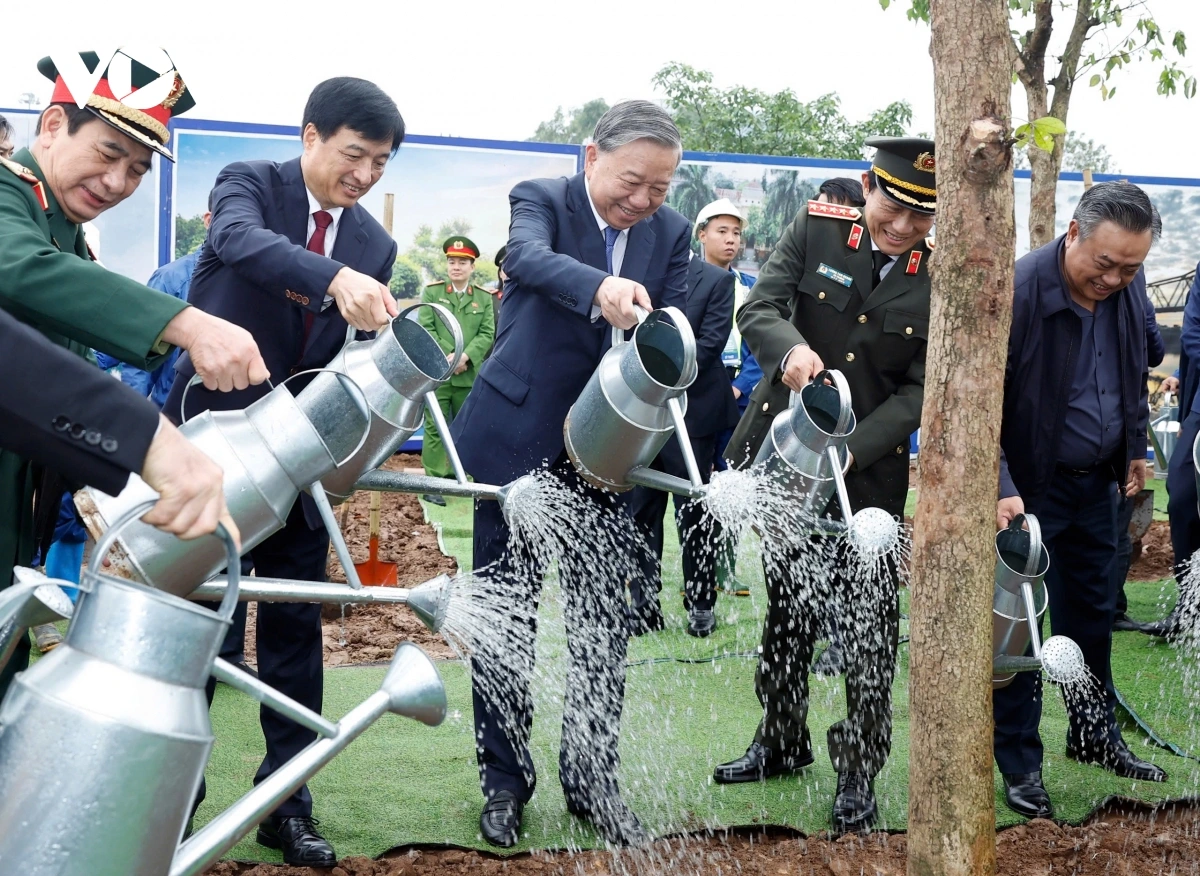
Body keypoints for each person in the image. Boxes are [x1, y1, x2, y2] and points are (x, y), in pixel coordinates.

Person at [162, 77, 404, 867]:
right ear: (310, 137)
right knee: (198, 621)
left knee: (296, 624)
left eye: (381, 163)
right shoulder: (250, 186)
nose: (364, 175)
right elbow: (240, 244)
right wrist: (333, 279)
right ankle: (169, 796)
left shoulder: (373, 245)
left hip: (300, 457)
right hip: (210, 446)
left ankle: (287, 803)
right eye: (354, 155)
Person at [449, 100, 689, 848]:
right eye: (631, 181)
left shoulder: (672, 234)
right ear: (592, 157)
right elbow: (524, 257)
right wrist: (599, 288)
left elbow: (675, 328)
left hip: (610, 454)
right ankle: (504, 783)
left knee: (601, 625)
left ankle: (592, 781)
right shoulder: (542, 199)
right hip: (515, 440)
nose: (643, 200)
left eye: (659, 188)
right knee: (506, 620)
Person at [0, 51, 266, 699]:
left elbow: (68, 364)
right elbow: (27, 272)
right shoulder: (11, 201)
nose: (118, 182)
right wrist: (188, 324)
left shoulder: (58, 224)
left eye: (138, 170)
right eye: (108, 153)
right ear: (53, 125)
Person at [713, 139, 937, 835]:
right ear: (868, 186)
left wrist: (851, 450)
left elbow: (921, 389)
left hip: (868, 478)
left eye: (921, 218)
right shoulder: (818, 228)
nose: (903, 227)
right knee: (788, 607)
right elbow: (760, 308)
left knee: (870, 627)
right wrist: (789, 349)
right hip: (787, 454)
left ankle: (858, 771)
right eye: (893, 207)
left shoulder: (943, 274)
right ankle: (781, 739)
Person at [993, 181, 1168, 822]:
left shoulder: (1126, 288)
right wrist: (1001, 487)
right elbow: (977, 404)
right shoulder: (1016, 292)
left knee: (1092, 614)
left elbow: (1131, 373)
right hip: (1027, 489)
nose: (1114, 279)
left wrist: (1134, 447)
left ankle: (1094, 735)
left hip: (1099, 483)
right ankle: (1020, 763)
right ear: (1072, 233)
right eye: (1105, 264)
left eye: (1130, 269)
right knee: (1019, 628)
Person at [627, 247, 738, 637]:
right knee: (642, 509)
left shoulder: (717, 279)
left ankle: (701, 603)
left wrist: (658, 375)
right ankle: (643, 603)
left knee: (693, 511)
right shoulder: (638, 274)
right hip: (643, 411)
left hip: (694, 412)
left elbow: (710, 344)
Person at [418, 236, 496, 505]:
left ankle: (461, 477)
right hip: (439, 373)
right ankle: (433, 483)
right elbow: (426, 327)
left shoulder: (483, 298)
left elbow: (487, 332)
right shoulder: (433, 293)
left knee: (468, 427)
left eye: (462, 263)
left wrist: (464, 356)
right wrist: (451, 356)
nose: (456, 267)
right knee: (435, 427)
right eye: (452, 262)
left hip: (469, 373)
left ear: (472, 267)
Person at [1110, 286, 1165, 633]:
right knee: (1116, 531)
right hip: (1119, 431)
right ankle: (1112, 610)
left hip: (1069, 433)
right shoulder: (1137, 296)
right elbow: (1155, 352)